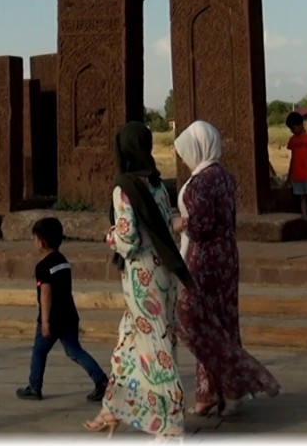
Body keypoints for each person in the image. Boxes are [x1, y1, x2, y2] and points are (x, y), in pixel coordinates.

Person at [85, 122, 192, 439]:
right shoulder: (157, 185)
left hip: (141, 276)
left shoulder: (124, 188)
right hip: (164, 275)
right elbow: (164, 224)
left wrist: (108, 236)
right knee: (128, 341)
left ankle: (171, 423)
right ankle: (113, 407)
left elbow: (128, 237)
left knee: (156, 346)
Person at [172, 121, 281, 417]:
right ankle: (210, 393)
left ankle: (238, 381)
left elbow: (200, 225)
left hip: (204, 259)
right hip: (227, 257)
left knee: (193, 322)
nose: (184, 159)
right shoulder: (224, 177)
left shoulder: (201, 182)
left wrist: (179, 223)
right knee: (221, 322)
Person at [16, 217, 108, 402]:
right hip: (69, 315)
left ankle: (35, 387)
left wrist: (45, 321)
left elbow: (46, 294)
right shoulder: (64, 262)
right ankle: (101, 380)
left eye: (35, 238)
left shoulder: (42, 267)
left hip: (53, 317)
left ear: (42, 241)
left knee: (39, 351)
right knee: (74, 351)